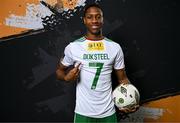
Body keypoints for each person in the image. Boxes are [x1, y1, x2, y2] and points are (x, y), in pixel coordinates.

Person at [56, 4, 139, 123]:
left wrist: (132, 100)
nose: (94, 20)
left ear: (103, 19)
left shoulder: (115, 47)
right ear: (84, 20)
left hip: (108, 112)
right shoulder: (73, 47)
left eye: (98, 17)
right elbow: (59, 71)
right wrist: (66, 77)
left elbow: (122, 79)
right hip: (83, 112)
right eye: (90, 17)